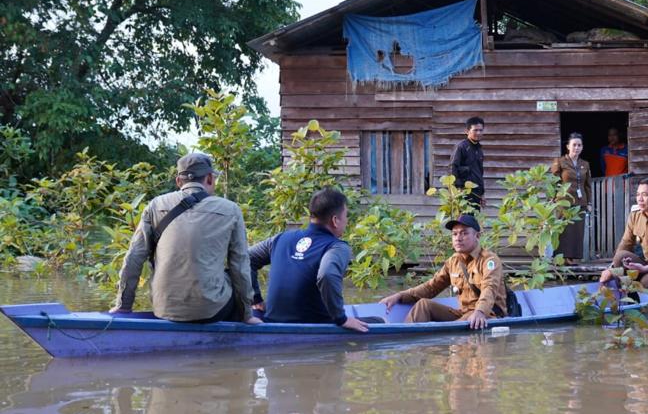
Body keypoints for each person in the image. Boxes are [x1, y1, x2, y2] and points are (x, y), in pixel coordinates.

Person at [111, 153, 260, 324]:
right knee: (231, 275)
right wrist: (247, 315)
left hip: (163, 308)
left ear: (178, 181)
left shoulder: (155, 205)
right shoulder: (231, 209)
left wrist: (124, 305)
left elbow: (134, 257)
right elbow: (240, 265)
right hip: (211, 310)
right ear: (210, 178)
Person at [248, 187, 369, 332]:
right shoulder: (337, 247)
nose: (347, 221)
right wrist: (341, 319)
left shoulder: (280, 238)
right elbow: (328, 274)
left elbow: (247, 258)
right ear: (335, 220)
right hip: (314, 325)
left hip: (272, 322)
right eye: (346, 216)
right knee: (379, 321)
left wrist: (255, 298)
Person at [378, 214, 506, 329]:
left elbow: (489, 288)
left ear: (477, 236)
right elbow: (431, 287)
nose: (458, 238)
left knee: (464, 321)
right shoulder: (453, 261)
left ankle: (443, 339)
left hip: (488, 314)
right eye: (454, 234)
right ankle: (406, 338)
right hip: (463, 313)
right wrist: (400, 295)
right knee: (424, 304)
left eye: (464, 233)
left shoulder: (489, 260)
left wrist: (480, 311)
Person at [550, 132, 592, 263]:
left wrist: (589, 202)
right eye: (574, 145)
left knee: (577, 232)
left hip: (580, 202)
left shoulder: (585, 164)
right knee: (563, 231)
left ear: (582, 147)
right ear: (568, 146)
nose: (577, 148)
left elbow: (587, 185)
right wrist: (552, 198)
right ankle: (561, 259)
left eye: (579, 145)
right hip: (564, 202)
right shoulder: (560, 162)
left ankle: (572, 258)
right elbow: (553, 182)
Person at [449, 116, 485, 209]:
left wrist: (482, 194)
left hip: (476, 194)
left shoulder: (479, 149)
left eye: (481, 130)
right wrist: (457, 190)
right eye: (475, 130)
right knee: (463, 221)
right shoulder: (461, 147)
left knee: (474, 221)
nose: (479, 133)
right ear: (467, 131)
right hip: (463, 193)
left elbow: (479, 173)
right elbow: (453, 168)